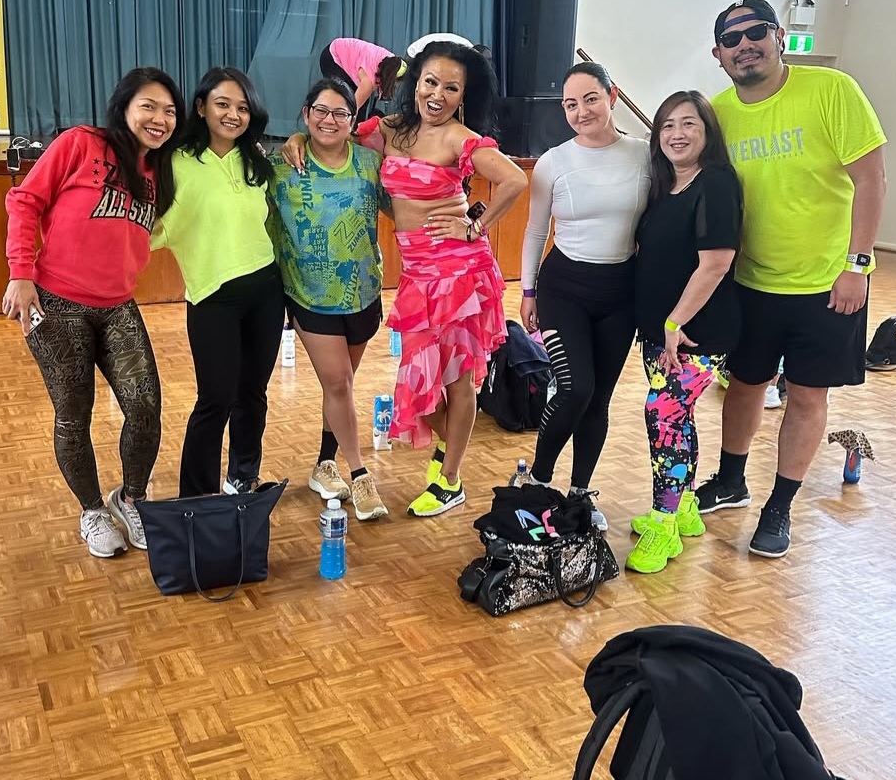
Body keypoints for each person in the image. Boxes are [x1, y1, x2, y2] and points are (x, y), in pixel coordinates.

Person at [286, 40, 527, 515]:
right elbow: (334, 130)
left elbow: (516, 179)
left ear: (463, 95)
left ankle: (451, 480)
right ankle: (450, 452)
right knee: (419, 387)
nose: (437, 94)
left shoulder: (459, 138)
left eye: (451, 88)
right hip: (417, 274)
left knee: (456, 380)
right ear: (415, 83)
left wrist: (473, 225)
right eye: (430, 81)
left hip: (458, 272)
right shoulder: (391, 129)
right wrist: (298, 136)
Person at [696, 0, 887, 558]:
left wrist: (857, 264)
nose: (745, 45)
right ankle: (731, 480)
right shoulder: (719, 113)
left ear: (779, 35)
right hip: (750, 282)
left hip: (827, 283)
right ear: (718, 54)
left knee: (806, 395)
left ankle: (779, 505)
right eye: (731, 39)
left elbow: (872, 179)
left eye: (756, 31)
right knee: (744, 384)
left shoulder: (831, 89)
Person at [2, 67, 184, 558]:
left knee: (145, 409)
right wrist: (20, 272)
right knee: (73, 415)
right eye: (148, 106)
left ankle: (132, 498)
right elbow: (24, 201)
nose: (159, 118)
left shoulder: (161, 170)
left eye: (170, 111)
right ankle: (92, 510)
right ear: (123, 107)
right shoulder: (81, 144)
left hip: (118, 305)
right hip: (55, 304)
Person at [518, 62, 651, 530]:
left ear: (612, 96)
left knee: (599, 400)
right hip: (563, 289)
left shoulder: (644, 155)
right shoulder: (554, 161)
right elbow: (536, 231)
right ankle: (537, 479)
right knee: (576, 388)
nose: (581, 112)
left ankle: (579, 493)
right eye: (570, 104)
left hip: (621, 293)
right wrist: (528, 291)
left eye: (590, 99)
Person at [152, 68, 284, 498]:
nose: (233, 114)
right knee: (215, 399)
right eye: (223, 104)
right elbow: (148, 226)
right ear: (200, 107)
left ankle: (242, 477)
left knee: (253, 393)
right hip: (212, 297)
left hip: (266, 291)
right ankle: (197, 498)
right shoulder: (173, 161)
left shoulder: (256, 162)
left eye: (243, 107)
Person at [626, 90, 743, 574]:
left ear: (707, 132)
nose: (677, 134)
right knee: (679, 418)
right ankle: (685, 506)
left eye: (689, 123)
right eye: (668, 125)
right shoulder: (665, 185)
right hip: (662, 332)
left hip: (697, 333)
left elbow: (715, 263)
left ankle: (663, 524)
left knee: (663, 414)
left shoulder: (715, 182)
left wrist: (675, 322)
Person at [267, 77, 389, 521]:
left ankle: (324, 464)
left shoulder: (371, 163)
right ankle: (359, 475)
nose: (329, 120)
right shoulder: (280, 167)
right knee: (338, 383)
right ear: (305, 114)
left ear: (353, 121)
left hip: (364, 293)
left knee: (342, 386)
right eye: (320, 110)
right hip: (309, 296)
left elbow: (403, 207)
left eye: (340, 113)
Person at [318, 37, 406, 118]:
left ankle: (356, 128)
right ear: (390, 79)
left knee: (361, 103)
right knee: (346, 101)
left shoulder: (392, 62)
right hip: (332, 56)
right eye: (395, 82)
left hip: (349, 57)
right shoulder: (369, 81)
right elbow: (352, 108)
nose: (395, 85)